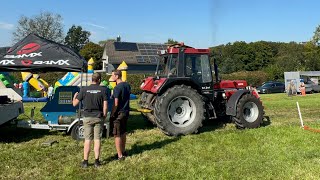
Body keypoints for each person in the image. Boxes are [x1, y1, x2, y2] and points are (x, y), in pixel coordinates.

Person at [72, 72, 108, 168]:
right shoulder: (103, 90)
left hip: (87, 117)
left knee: (87, 140)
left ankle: (85, 162)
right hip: (98, 117)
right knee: (97, 139)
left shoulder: (84, 90)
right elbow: (105, 106)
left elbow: (74, 104)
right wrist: (104, 116)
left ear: (92, 79)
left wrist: (74, 96)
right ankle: (96, 161)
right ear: (99, 80)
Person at [110, 69, 131, 160]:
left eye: (112, 75)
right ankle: (123, 151)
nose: (111, 77)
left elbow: (116, 103)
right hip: (126, 112)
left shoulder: (117, 88)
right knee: (123, 132)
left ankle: (120, 155)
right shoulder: (127, 85)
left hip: (119, 114)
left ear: (117, 76)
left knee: (117, 134)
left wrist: (112, 114)